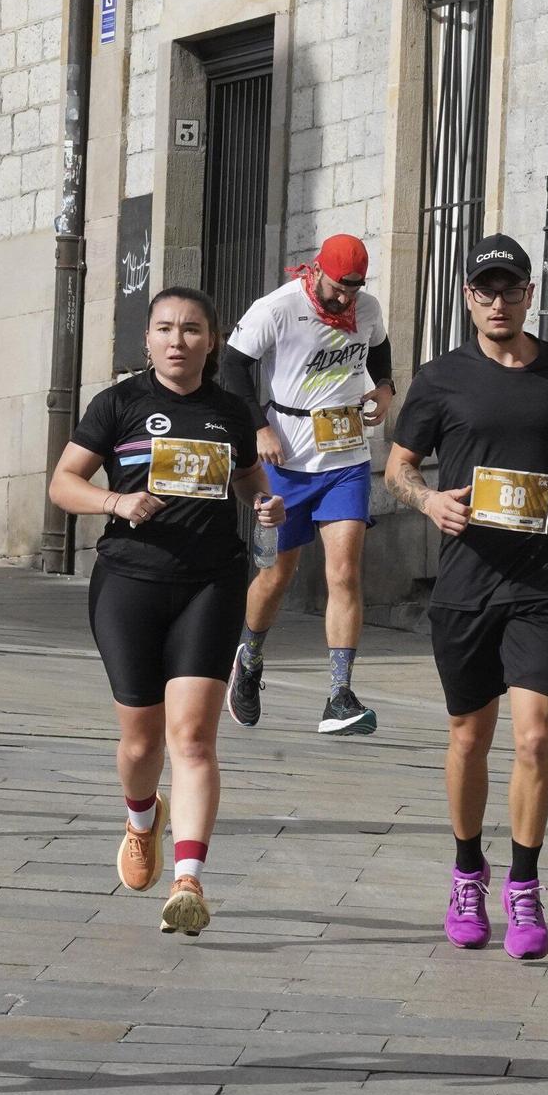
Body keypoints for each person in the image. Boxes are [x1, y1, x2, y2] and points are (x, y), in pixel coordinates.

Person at [384, 233, 548, 961]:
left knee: (535, 736)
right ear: (467, 297)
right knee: (468, 738)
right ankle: (464, 872)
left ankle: (523, 885)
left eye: (510, 288)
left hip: (544, 580)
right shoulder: (440, 378)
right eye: (485, 289)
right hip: (467, 581)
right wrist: (427, 504)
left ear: (528, 294)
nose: (498, 301)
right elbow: (397, 467)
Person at [47, 286, 283, 937]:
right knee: (141, 740)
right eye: (165, 328)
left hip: (211, 583)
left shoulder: (231, 413)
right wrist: (116, 505)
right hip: (129, 585)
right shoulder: (119, 403)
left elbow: (249, 482)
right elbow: (63, 483)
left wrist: (265, 505)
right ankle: (141, 815)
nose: (178, 340)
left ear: (210, 341)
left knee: (195, 738)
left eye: (191, 329)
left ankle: (189, 880)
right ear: (148, 340)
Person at [219, 233, 394, 736]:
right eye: (340, 288)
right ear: (317, 271)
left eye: (355, 290)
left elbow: (379, 351)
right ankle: (248, 659)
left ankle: (339, 695)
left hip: (345, 456)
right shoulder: (278, 307)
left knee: (344, 574)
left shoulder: (367, 308)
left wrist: (383, 389)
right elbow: (234, 364)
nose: (346, 300)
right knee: (277, 574)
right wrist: (256, 427)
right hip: (286, 459)